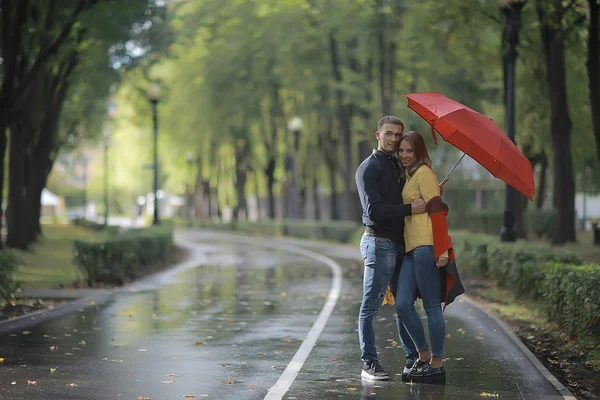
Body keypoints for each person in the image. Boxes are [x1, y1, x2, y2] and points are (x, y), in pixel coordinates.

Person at [354, 116, 427, 381]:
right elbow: (372, 212)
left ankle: (411, 361)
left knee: (405, 305)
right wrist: (410, 209)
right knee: (370, 307)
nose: (395, 139)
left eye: (398, 134)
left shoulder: (398, 165)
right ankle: (369, 363)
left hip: (401, 245)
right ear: (378, 135)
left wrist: (428, 193)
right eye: (389, 134)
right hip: (378, 243)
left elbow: (407, 196)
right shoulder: (368, 169)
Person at [395, 130, 465, 385]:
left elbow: (437, 211)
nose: (403, 155)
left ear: (419, 152)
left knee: (432, 306)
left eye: (409, 151)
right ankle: (423, 354)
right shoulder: (415, 175)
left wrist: (443, 248)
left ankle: (436, 363)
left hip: (426, 245)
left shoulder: (424, 173)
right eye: (401, 150)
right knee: (403, 303)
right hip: (412, 248)